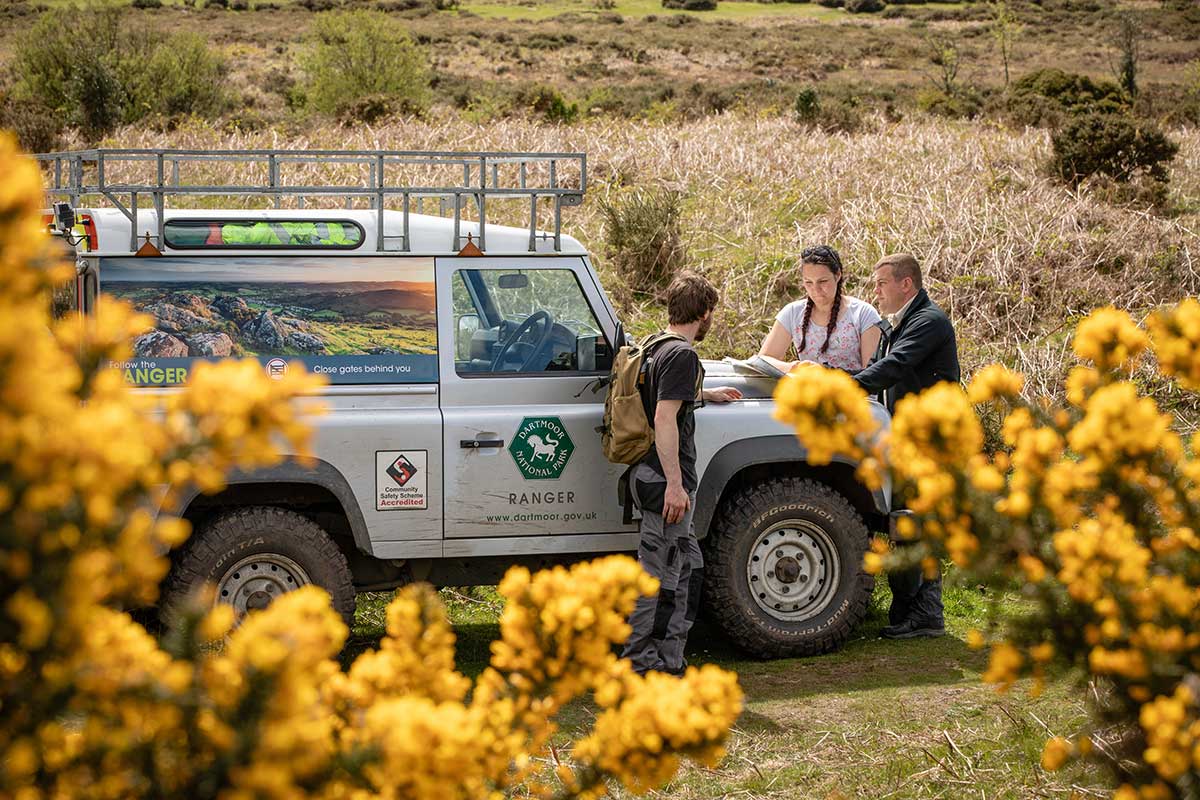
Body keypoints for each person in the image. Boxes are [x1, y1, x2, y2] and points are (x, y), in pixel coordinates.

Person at [621, 271, 742, 676]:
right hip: (663, 481)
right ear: (705, 312)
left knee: (684, 565)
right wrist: (675, 484)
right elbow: (664, 416)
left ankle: (667, 659)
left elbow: (662, 395)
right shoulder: (683, 355)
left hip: (645, 475)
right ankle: (643, 664)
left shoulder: (654, 345)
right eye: (712, 314)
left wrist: (704, 394)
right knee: (663, 577)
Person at [853, 253, 961, 640]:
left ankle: (926, 613)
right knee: (908, 519)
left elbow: (894, 365)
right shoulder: (902, 323)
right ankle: (914, 610)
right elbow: (880, 368)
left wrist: (846, 387)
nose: (876, 291)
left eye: (881, 283)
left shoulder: (927, 322)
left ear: (906, 284)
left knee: (917, 520)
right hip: (908, 436)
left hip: (929, 438)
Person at [758, 245, 883, 373]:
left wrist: (825, 374)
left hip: (853, 391)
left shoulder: (863, 314)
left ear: (838, 275)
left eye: (822, 281)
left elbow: (873, 373)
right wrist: (797, 367)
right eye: (808, 282)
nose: (816, 290)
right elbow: (762, 361)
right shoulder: (792, 313)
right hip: (807, 391)